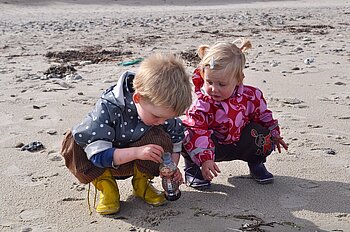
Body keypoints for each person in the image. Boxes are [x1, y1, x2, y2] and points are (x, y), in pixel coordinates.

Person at [61, 53, 193, 215]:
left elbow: (176, 138)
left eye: (168, 118)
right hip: (101, 160)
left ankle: (141, 183)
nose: (162, 121)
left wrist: (171, 168)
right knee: (74, 142)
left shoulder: (160, 110)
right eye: (158, 116)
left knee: (161, 135)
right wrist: (137, 152)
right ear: (138, 98)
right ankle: (107, 187)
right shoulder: (109, 108)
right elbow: (97, 155)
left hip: (137, 163)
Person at [182, 39, 288, 189]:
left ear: (238, 80)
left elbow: (263, 117)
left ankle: (256, 163)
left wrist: (275, 134)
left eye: (222, 84)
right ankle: (192, 169)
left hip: (239, 142)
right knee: (186, 132)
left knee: (261, 134)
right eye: (209, 82)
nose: (214, 89)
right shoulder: (202, 105)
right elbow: (198, 131)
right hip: (212, 146)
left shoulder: (251, 96)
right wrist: (205, 159)